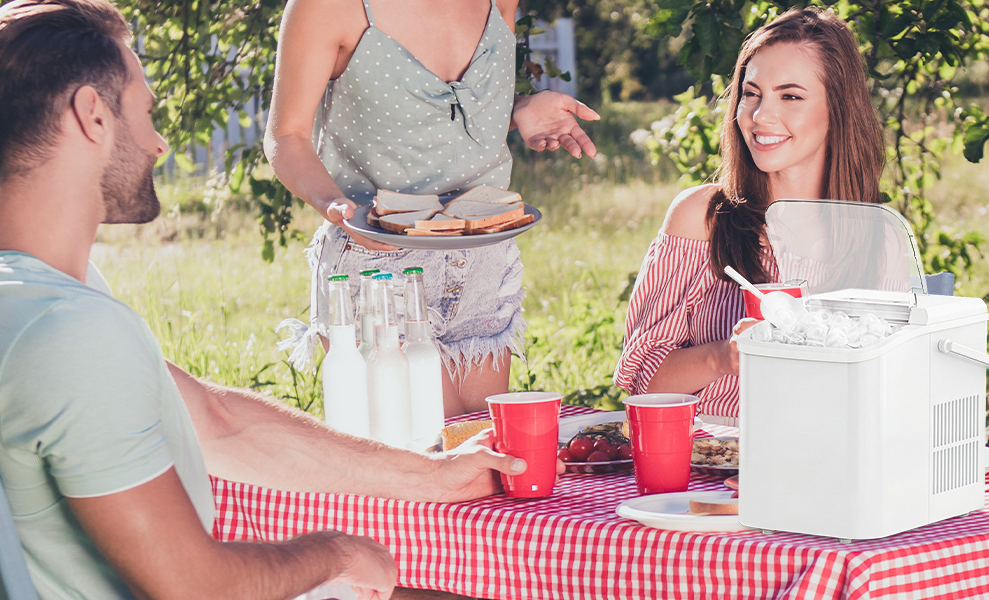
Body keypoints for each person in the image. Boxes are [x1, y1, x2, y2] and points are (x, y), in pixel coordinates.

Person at [0, 1, 547, 598]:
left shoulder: (50, 301)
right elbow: (194, 584)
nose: (159, 144)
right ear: (92, 116)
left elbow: (217, 420)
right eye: (146, 112)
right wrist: (336, 551)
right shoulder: (68, 329)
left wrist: (434, 476)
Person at [266, 0, 600, 418]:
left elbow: (445, 115)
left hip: (483, 259)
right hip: (380, 267)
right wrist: (331, 203)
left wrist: (518, 109)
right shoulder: (329, 7)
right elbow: (286, 135)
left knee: (481, 458)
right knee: (417, 460)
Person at [613, 7, 885, 425]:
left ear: (839, 108)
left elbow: (891, 387)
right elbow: (641, 382)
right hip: (709, 460)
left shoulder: (876, 238)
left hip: (824, 460)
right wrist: (723, 357)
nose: (760, 116)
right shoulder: (703, 217)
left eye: (790, 96)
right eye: (752, 93)